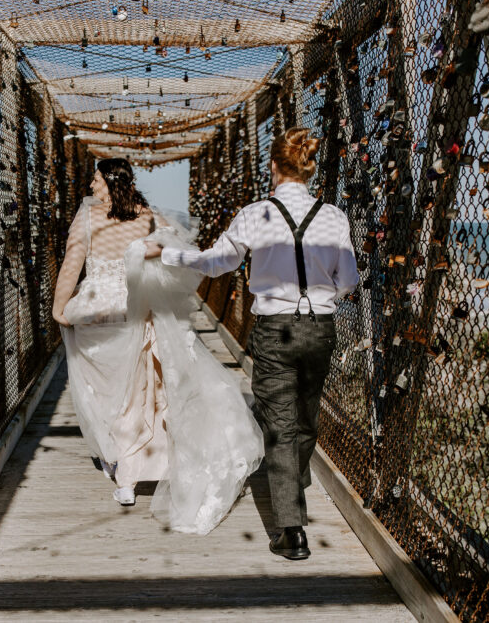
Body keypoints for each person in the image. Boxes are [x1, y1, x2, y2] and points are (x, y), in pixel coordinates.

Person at [146, 127, 359, 559]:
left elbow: (217, 263)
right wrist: (321, 297)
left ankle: (291, 530)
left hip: (275, 328)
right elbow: (350, 279)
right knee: (306, 413)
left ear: (275, 167)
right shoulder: (334, 215)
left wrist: (167, 254)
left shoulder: (256, 213)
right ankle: (293, 484)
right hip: (320, 326)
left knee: (278, 424)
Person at [53, 158, 263, 534]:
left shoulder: (87, 218)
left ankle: (126, 476)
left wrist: (59, 306)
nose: (92, 184)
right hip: (141, 309)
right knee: (147, 391)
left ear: (108, 182)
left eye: (96, 178)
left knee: (110, 392)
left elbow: (73, 263)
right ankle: (155, 466)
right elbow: (181, 258)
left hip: (101, 312)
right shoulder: (150, 218)